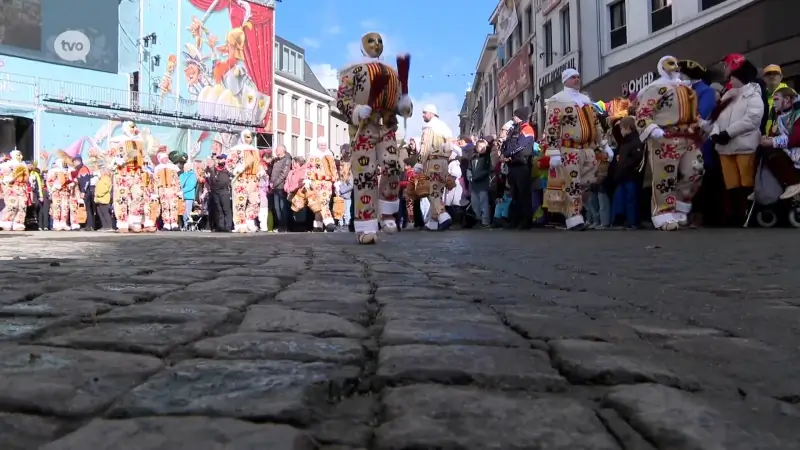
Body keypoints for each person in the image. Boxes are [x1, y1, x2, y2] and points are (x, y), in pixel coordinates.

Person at [335, 31, 412, 243]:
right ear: (362, 46)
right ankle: (366, 225)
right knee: (365, 174)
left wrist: (404, 105)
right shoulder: (353, 71)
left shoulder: (392, 73)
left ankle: (387, 210)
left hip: (387, 127)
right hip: (363, 128)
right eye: (371, 41)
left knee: (392, 165)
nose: (376, 44)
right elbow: (341, 99)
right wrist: (357, 110)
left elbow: (400, 101)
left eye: (379, 41)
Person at [635, 56, 704, 231]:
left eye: (676, 64)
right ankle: (662, 213)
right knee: (665, 177)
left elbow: (693, 113)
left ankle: (681, 204)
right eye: (670, 64)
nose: (675, 67)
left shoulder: (687, 89)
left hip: (688, 136)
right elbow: (643, 113)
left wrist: (701, 124)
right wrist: (652, 129)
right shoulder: (655, 88)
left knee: (696, 170)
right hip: (664, 137)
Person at [540, 69, 610, 230]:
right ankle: (574, 217)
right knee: (572, 184)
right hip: (568, 149)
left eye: (578, 77)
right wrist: (554, 151)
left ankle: (576, 212)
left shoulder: (586, 101)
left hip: (587, 149)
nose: (577, 79)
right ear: (565, 80)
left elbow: (596, 125)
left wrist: (604, 144)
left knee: (587, 183)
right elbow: (551, 127)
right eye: (573, 77)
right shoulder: (558, 100)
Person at [706, 58, 764, 224]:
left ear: (741, 78)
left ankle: (747, 214)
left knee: (746, 181)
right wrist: (716, 133)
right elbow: (716, 117)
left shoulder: (753, 95)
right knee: (731, 183)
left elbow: (752, 120)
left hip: (744, 146)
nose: (729, 80)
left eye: (733, 77)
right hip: (725, 148)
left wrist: (728, 133)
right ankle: (733, 215)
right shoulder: (728, 96)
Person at [419, 104, 461, 231]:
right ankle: (433, 222)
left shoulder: (429, 127)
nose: (423, 115)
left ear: (432, 113)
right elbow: (450, 148)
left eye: (425, 112)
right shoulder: (445, 128)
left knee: (432, 192)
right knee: (437, 191)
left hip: (432, 162)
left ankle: (443, 215)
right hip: (444, 162)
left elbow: (424, 146)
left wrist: (419, 163)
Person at [108, 121, 151, 233]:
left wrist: (146, 165)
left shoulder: (139, 141)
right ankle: (122, 223)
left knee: (138, 197)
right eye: (131, 127)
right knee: (121, 198)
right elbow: (110, 155)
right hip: (122, 173)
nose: (133, 129)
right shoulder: (117, 140)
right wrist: (116, 160)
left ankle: (134, 221)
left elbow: (144, 156)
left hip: (137, 173)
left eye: (134, 127)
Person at [759, 86, 800, 200]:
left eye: (776, 99)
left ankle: (794, 183)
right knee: (765, 151)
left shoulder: (798, 113)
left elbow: (796, 138)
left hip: (796, 156)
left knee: (771, 150)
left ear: (786, 99)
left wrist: (773, 141)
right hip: (793, 156)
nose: (774, 102)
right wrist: (768, 139)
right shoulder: (781, 116)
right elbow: (778, 134)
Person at [501, 107, 535, 229]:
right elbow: (508, 144)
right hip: (512, 165)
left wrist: (507, 154)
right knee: (514, 194)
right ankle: (515, 219)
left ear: (519, 116)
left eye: (514, 115)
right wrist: (504, 154)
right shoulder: (514, 129)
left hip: (522, 165)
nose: (512, 118)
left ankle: (526, 220)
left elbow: (520, 145)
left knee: (523, 194)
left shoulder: (527, 129)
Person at [226, 130, 262, 233]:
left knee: (254, 201)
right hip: (241, 179)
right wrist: (235, 169)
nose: (249, 139)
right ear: (242, 137)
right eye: (246, 137)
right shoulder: (236, 150)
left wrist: (260, 171)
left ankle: (250, 220)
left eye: (250, 137)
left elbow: (258, 163)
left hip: (253, 179)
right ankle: (240, 223)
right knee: (240, 201)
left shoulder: (255, 151)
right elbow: (229, 164)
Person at [613, 116, 645, 229]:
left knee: (631, 199)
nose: (621, 131)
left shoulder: (634, 142)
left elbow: (635, 159)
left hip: (630, 175)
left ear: (627, 128)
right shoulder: (626, 142)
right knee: (623, 199)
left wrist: (624, 168)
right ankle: (626, 220)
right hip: (624, 175)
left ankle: (633, 221)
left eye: (622, 128)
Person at [305, 137, 339, 232]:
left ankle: (318, 226)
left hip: (327, 183)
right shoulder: (313, 155)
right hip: (316, 182)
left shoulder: (329, 156)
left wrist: (336, 182)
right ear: (318, 145)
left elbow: (333, 169)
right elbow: (309, 168)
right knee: (320, 202)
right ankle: (329, 222)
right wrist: (307, 180)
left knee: (324, 202)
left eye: (324, 145)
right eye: (321, 145)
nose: (323, 147)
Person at [153, 151, 183, 231]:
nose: (165, 159)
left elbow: (177, 180)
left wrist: (179, 191)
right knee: (165, 207)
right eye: (163, 158)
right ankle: (166, 224)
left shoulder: (172, 167)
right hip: (162, 190)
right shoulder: (157, 168)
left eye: (166, 158)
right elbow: (155, 181)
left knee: (174, 206)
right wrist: (155, 192)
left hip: (172, 189)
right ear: (161, 159)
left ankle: (174, 223)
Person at [0, 150, 29, 231]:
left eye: (21, 155)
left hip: (22, 188)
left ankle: (19, 223)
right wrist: (6, 179)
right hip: (11, 187)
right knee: (12, 205)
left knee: (22, 206)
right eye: (18, 155)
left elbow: (26, 178)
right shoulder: (8, 164)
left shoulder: (24, 165)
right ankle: (6, 222)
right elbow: (2, 175)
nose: (20, 156)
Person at [468, 139, 492, 227]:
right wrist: (470, 176)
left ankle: (485, 221)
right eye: (480, 147)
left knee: (483, 202)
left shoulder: (487, 158)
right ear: (476, 148)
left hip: (483, 183)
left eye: (483, 147)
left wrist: (476, 177)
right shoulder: (473, 158)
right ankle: (478, 219)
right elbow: (469, 168)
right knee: (475, 203)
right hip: (474, 185)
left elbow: (487, 170)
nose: (482, 149)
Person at [45, 155, 72, 231]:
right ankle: (56, 223)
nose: (64, 164)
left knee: (65, 207)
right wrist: (54, 187)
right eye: (62, 162)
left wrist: (70, 184)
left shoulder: (66, 171)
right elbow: (49, 181)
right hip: (56, 192)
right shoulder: (53, 171)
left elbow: (69, 180)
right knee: (57, 207)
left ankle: (63, 222)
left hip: (65, 192)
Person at [269, 144, 292, 233]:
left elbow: (283, 174)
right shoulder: (276, 160)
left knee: (282, 208)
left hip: (281, 187)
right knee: (277, 207)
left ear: (282, 150)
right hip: (275, 187)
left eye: (277, 149)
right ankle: (280, 225)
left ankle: (284, 226)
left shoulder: (287, 160)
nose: (275, 151)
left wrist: (274, 183)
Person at [208, 153, 233, 232]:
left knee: (226, 209)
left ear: (225, 160)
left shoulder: (227, 170)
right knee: (219, 209)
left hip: (224, 191)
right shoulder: (214, 170)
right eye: (218, 159)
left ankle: (228, 226)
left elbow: (232, 177)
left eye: (221, 159)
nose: (219, 160)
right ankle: (221, 226)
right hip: (215, 192)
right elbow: (211, 181)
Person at [71, 156, 93, 231]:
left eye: (74, 162)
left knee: (86, 208)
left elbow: (86, 181)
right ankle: (87, 225)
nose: (74, 164)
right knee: (86, 208)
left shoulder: (83, 169)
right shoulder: (80, 169)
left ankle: (89, 225)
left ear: (78, 161)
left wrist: (83, 191)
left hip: (86, 192)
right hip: (84, 191)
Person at [178, 155, 197, 229]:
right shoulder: (181, 175)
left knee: (186, 212)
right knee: (181, 212)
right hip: (180, 197)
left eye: (186, 167)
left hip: (188, 196)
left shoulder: (192, 175)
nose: (184, 168)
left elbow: (191, 186)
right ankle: (182, 225)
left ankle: (186, 225)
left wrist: (182, 191)